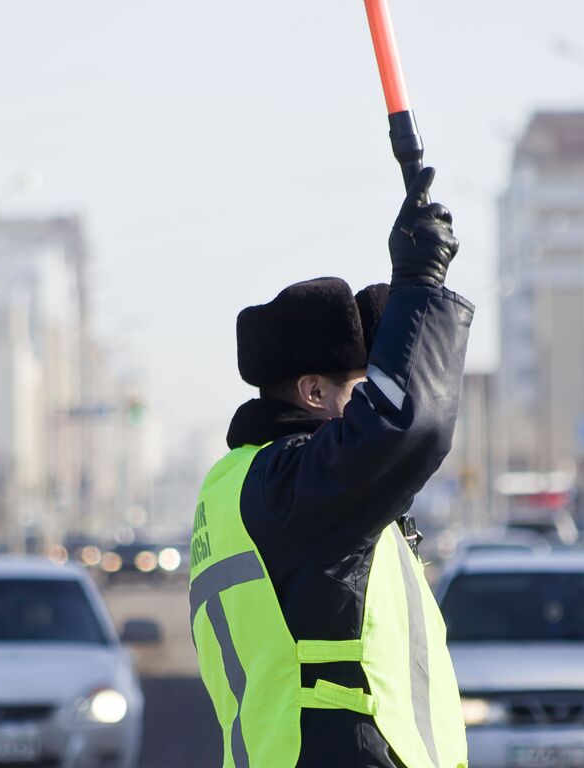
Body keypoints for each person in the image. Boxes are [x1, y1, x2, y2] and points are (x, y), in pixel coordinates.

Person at [187, 166, 471, 768]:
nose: (371, 406)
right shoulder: (292, 488)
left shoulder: (246, 486)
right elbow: (403, 427)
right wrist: (420, 284)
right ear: (314, 393)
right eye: (362, 391)